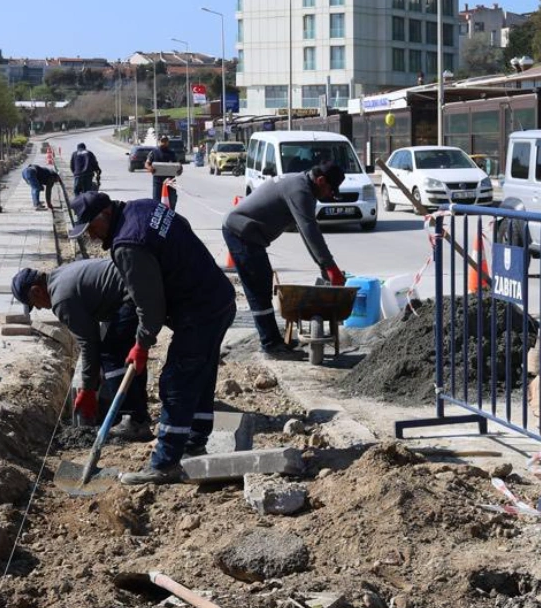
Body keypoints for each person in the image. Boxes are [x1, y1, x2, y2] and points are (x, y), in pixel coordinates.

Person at [67, 191, 236, 485]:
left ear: (104, 216)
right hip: (217, 298)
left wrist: (142, 344)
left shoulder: (127, 244)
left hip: (198, 310)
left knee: (176, 382)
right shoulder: (143, 207)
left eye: (91, 228)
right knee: (201, 374)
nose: (91, 237)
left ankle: (165, 463)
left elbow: (150, 305)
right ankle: (194, 442)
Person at [11, 261, 153, 442]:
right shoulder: (60, 276)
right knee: (125, 351)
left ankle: (133, 420)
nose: (39, 308)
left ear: (37, 290)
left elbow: (89, 344)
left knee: (112, 352)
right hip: (136, 283)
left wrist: (87, 389)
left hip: (132, 292)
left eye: (34, 303)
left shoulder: (61, 299)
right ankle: (139, 416)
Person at [221, 164, 348, 352]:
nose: (330, 194)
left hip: (246, 233)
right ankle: (270, 345)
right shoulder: (300, 190)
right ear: (321, 181)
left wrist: (324, 267)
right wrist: (330, 267)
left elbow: (306, 234)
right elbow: (310, 231)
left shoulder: (302, 184)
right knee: (258, 289)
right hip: (240, 231)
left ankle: (272, 339)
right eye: (330, 189)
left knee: (262, 283)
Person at [146, 136, 181, 210]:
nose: (163, 143)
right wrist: (150, 168)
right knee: (156, 202)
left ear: (168, 142)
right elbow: (147, 164)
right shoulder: (154, 152)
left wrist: (179, 169)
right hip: (158, 182)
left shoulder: (172, 153)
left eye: (165, 141)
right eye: (162, 141)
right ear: (159, 141)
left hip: (170, 181)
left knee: (172, 201)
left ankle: (171, 216)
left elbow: (178, 165)